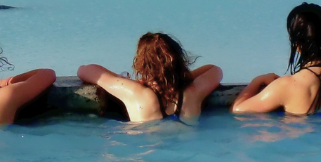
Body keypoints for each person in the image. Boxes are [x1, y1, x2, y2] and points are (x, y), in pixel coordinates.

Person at [77, 32, 222, 123]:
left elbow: (84, 70)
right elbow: (215, 69)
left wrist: (122, 80)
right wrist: (177, 78)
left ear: (141, 64)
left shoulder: (135, 92)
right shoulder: (192, 93)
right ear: (179, 60)